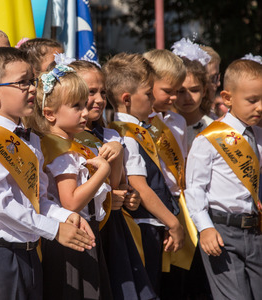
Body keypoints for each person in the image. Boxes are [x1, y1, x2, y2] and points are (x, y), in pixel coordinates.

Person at [0, 47, 96, 300]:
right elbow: (1, 204)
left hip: (30, 251)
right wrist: (54, 230)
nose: (33, 89)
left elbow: (38, 198)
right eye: (22, 83)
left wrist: (66, 216)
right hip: (1, 254)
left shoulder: (30, 139)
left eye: (32, 81)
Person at [24, 60, 112, 299]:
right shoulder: (61, 150)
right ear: (50, 114)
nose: (85, 113)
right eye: (76, 107)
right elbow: (71, 202)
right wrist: (102, 173)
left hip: (76, 233)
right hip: (71, 237)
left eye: (85, 105)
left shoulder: (65, 142)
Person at [70, 59, 156, 300]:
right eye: (91, 92)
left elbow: (119, 186)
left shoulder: (109, 135)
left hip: (112, 228)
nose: (99, 99)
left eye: (103, 92)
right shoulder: (59, 137)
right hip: (82, 227)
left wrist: (128, 196)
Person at [104, 52, 184, 296]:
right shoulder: (127, 134)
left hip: (146, 223)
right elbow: (140, 186)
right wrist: (173, 223)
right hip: (141, 226)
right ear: (127, 98)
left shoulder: (130, 129)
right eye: (148, 94)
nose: (152, 100)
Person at [185, 59, 262, 300]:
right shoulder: (208, 139)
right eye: (252, 100)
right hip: (222, 233)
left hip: (256, 231)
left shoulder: (258, 136)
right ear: (227, 98)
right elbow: (194, 189)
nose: (260, 107)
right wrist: (205, 228)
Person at [172, 41, 214, 150]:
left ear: (204, 91)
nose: (187, 98)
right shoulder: (166, 125)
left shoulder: (212, 128)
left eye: (194, 90)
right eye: (181, 91)